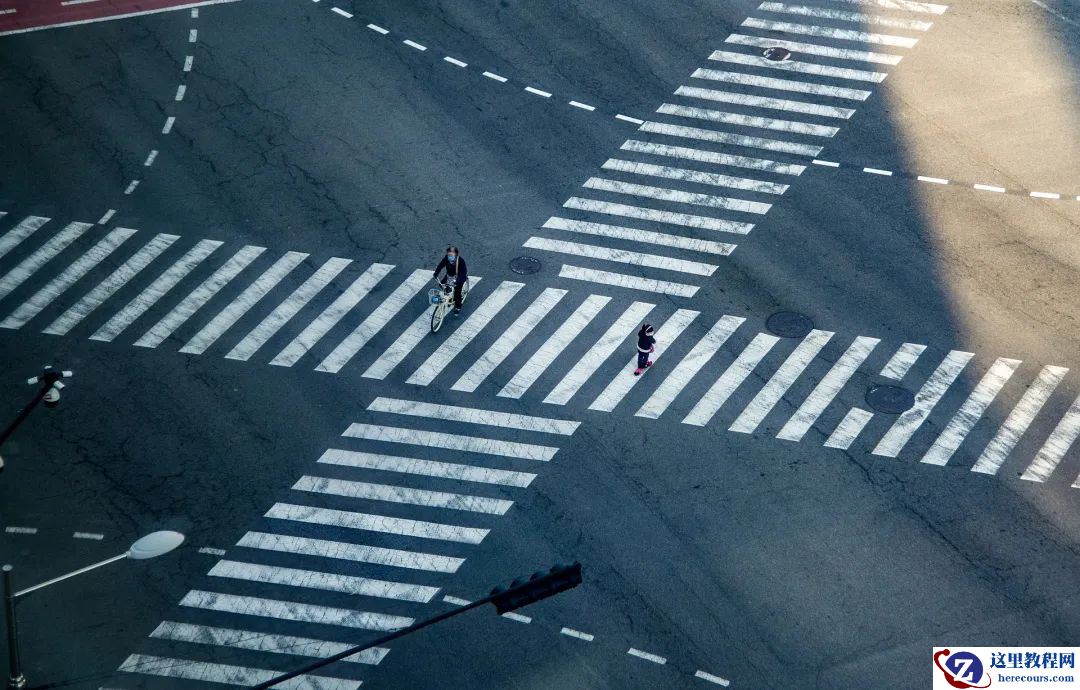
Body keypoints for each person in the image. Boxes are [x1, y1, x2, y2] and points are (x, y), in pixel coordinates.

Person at [433, 245, 468, 314]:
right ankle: (449, 296)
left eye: (451, 255)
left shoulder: (461, 261)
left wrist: (457, 282)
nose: (449, 257)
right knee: (442, 285)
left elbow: (463, 274)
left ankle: (458, 307)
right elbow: (440, 265)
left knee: (457, 294)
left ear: (456, 255)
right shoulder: (446, 258)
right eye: (448, 255)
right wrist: (436, 273)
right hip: (449, 276)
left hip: (458, 278)